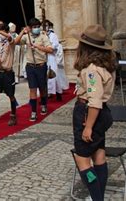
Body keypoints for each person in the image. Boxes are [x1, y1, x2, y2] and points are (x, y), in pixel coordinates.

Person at [72, 24, 116, 201]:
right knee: (99, 154)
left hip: (89, 113)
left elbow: (95, 101)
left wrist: (88, 126)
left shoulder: (91, 70)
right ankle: (98, 197)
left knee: (82, 159)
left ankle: (97, 198)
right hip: (101, 113)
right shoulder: (106, 66)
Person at [15, 17, 53, 122]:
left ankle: (44, 104)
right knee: (32, 89)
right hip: (30, 66)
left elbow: (50, 49)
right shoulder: (27, 36)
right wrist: (23, 31)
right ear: (30, 28)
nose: (37, 28)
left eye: (38, 26)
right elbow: (15, 42)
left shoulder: (43, 36)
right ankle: (33, 111)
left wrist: (37, 46)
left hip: (41, 66)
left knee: (42, 88)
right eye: (34, 27)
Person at [43, 20, 68, 101]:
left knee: (53, 76)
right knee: (44, 77)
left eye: (46, 25)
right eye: (43, 26)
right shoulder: (41, 35)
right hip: (43, 57)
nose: (45, 27)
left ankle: (58, 93)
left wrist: (46, 47)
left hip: (51, 57)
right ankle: (46, 95)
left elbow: (55, 45)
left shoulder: (53, 35)